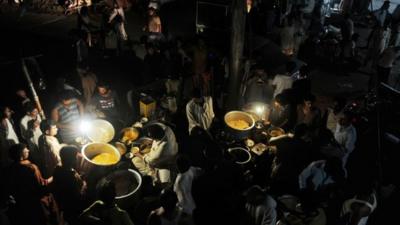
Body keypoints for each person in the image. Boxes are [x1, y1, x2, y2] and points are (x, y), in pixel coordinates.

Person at [5, 143, 48, 225]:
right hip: (35, 202)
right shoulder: (31, 167)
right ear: (20, 153)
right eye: (25, 149)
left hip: (21, 204)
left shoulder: (9, 169)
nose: (28, 150)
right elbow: (40, 184)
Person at [52, 146, 87, 225]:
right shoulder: (70, 176)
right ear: (71, 159)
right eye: (75, 157)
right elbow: (78, 196)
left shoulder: (57, 169)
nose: (76, 159)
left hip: (64, 207)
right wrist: (84, 185)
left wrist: (79, 177)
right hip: (73, 210)